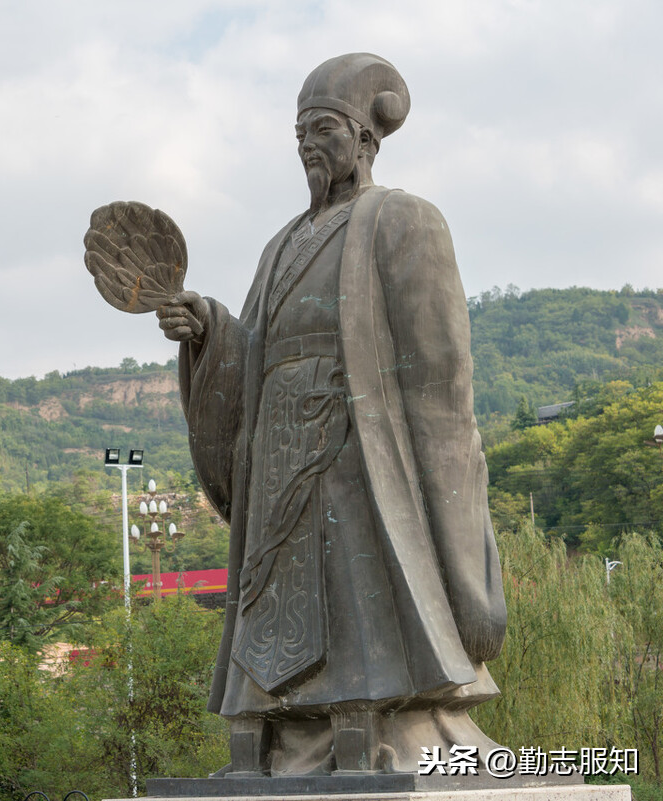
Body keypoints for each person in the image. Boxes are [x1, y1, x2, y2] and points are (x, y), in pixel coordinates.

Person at [155, 53, 506, 776]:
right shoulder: (280, 244)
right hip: (278, 457)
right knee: (275, 595)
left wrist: (439, 473)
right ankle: (277, 735)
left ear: (364, 138)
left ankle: (376, 726)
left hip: (356, 455)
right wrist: (209, 328)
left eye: (323, 129)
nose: (308, 146)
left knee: (358, 593)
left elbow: (439, 375)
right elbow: (252, 350)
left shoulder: (402, 219)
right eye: (299, 134)